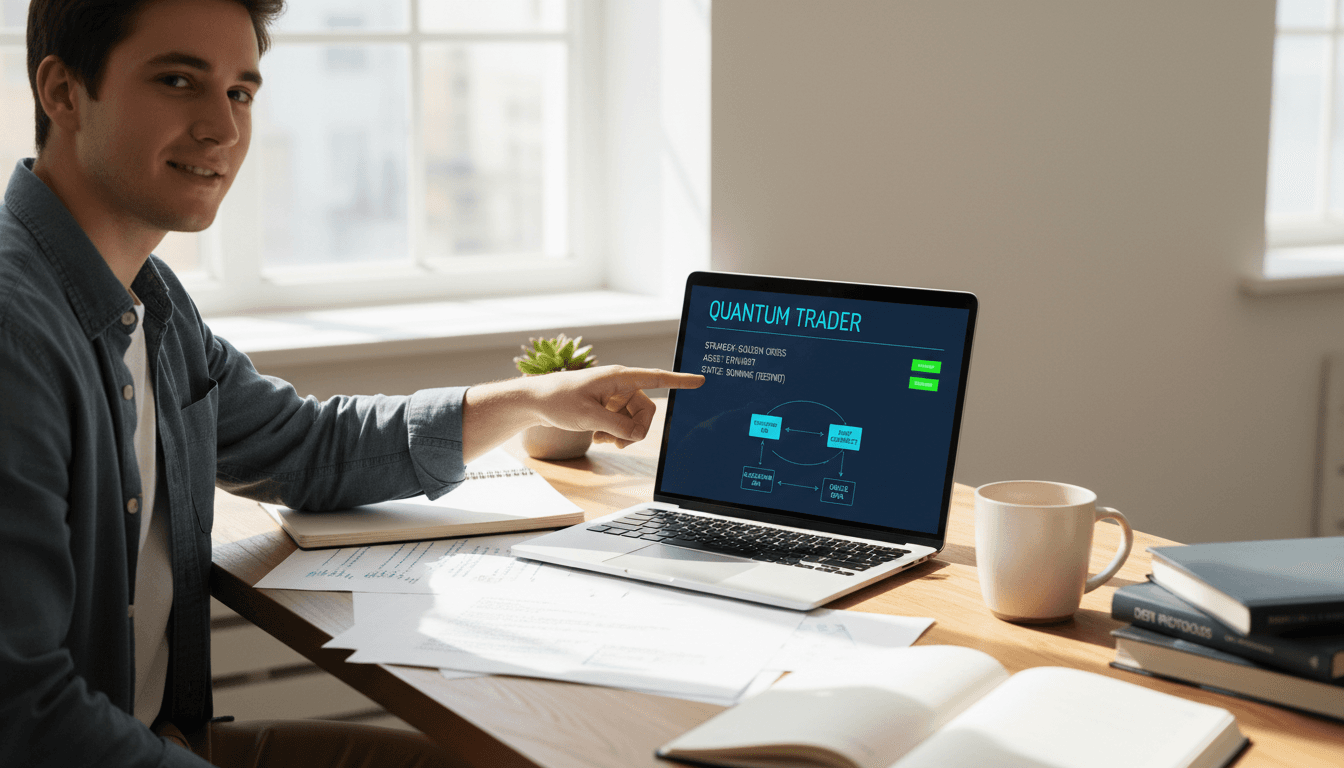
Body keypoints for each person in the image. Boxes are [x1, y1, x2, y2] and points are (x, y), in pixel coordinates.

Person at [0, 0, 704, 765]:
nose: (223, 128)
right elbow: (25, 715)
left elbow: (305, 446)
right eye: (178, 81)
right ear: (63, 92)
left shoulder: (152, 300)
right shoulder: (16, 335)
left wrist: (530, 401)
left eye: (240, 92)